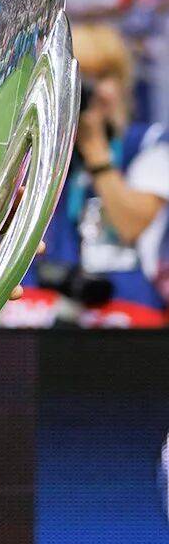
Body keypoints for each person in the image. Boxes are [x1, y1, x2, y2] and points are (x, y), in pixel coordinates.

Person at [22, 23, 169, 327]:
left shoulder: (149, 143)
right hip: (46, 306)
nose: (89, 93)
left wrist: (96, 152)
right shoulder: (39, 153)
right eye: (80, 79)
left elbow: (132, 225)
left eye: (100, 77)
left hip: (125, 311)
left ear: (122, 84)